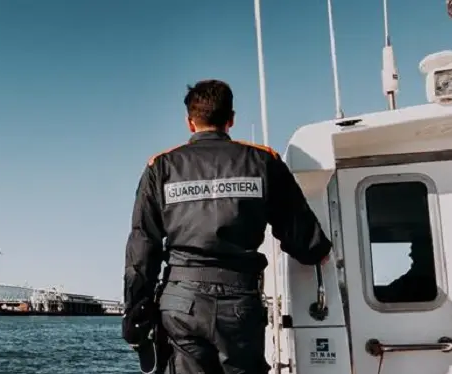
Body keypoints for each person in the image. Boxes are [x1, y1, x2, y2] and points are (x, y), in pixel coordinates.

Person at [122, 79, 332, 374]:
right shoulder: (262, 161)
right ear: (231, 119)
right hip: (239, 305)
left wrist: (135, 311)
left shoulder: (161, 167)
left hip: (181, 303)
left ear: (190, 122)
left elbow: (142, 248)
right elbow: (300, 233)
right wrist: (317, 251)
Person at [375, 232, 438, 303]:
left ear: (424, 252)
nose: (410, 254)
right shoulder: (417, 275)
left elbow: (398, 288)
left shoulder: (419, 277)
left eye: (414, 250)